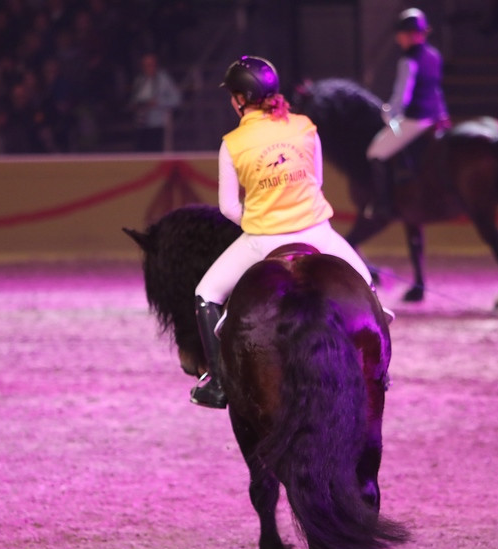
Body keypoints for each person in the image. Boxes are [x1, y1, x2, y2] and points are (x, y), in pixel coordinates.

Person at [190, 55, 377, 409]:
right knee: (366, 286)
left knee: (206, 294)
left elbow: (230, 207)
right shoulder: (305, 126)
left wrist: (262, 216)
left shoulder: (232, 143)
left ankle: (218, 383)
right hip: (317, 230)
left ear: (241, 99)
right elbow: (317, 182)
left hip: (263, 239)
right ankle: (377, 368)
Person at [365, 7, 449, 222]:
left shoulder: (408, 60)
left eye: (400, 34)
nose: (397, 38)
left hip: (416, 119)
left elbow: (402, 94)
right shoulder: (435, 55)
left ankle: (383, 205)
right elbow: (436, 89)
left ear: (410, 34)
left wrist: (388, 114)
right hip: (437, 117)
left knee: (376, 152)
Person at [129, 52, 181, 152]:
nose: (148, 67)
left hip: (158, 124)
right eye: (145, 65)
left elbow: (176, 99)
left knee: (156, 152)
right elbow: (134, 99)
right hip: (140, 124)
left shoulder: (163, 79)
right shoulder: (139, 80)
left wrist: (158, 103)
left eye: (150, 64)